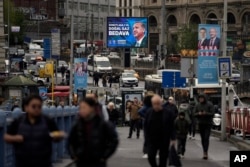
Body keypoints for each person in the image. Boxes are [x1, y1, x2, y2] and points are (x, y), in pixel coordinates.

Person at [4, 95, 65, 167]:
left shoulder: (47, 120)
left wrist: (58, 136)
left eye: (39, 107)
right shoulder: (19, 121)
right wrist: (16, 138)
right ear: (26, 107)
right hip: (23, 162)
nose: (36, 109)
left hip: (43, 162)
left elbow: (58, 134)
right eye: (33, 106)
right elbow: (6, 137)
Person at [68, 98, 119, 167]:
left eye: (84, 108)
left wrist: (104, 156)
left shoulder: (102, 124)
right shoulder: (78, 124)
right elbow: (70, 141)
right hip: (81, 161)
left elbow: (114, 140)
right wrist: (74, 155)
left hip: (97, 161)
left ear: (92, 108)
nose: (81, 110)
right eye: (80, 108)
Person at [144, 95, 176, 167]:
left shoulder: (168, 113)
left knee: (163, 159)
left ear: (161, 103)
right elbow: (146, 126)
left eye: (157, 104)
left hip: (164, 139)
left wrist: (173, 138)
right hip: (152, 139)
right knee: (151, 156)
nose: (156, 106)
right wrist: (146, 138)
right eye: (154, 104)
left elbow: (172, 126)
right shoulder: (149, 112)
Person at [194, 94, 214, 160]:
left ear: (204, 98)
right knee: (202, 139)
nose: (201, 99)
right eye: (200, 98)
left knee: (206, 138)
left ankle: (205, 152)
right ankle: (204, 151)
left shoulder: (209, 104)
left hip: (208, 123)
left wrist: (206, 113)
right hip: (201, 123)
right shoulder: (197, 105)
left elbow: (212, 113)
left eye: (202, 98)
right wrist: (198, 114)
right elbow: (194, 114)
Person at [138, 92, 154, 159]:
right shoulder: (147, 106)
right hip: (147, 124)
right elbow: (140, 111)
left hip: (152, 124)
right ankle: (146, 152)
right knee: (147, 138)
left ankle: (151, 152)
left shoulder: (151, 106)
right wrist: (146, 117)